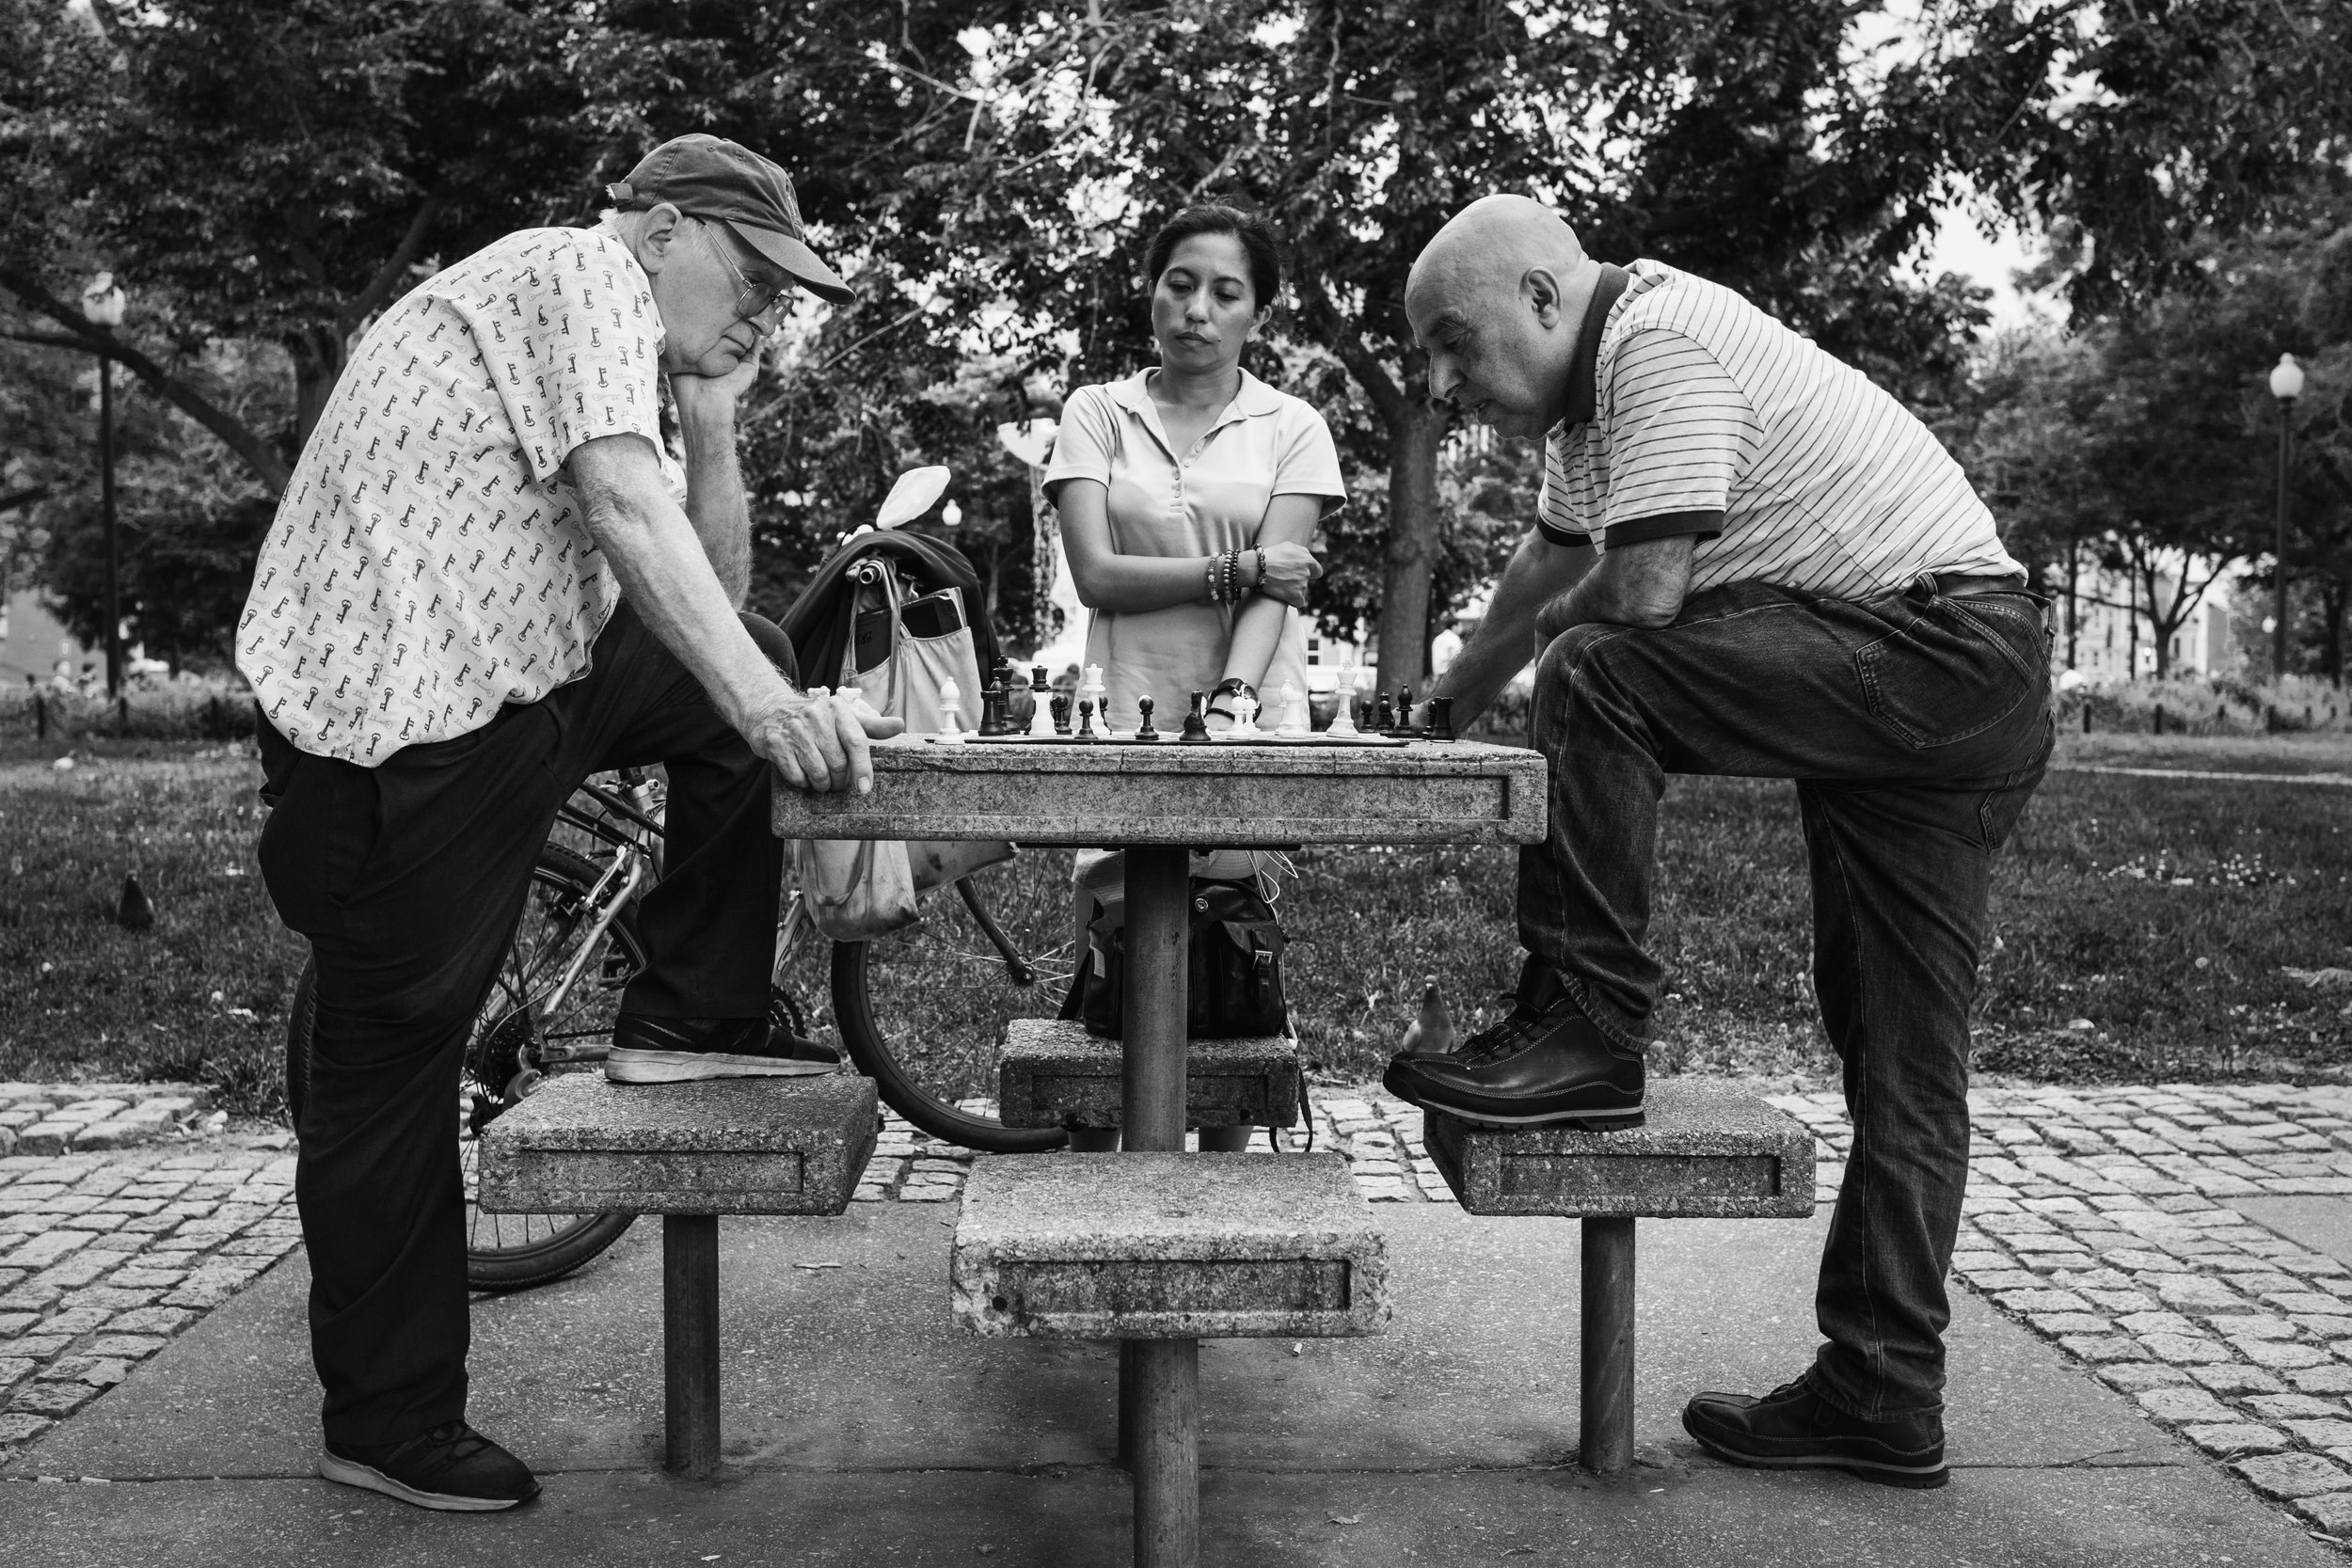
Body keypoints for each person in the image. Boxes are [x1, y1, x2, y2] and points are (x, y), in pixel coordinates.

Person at [236, 134, 899, 1513]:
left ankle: (690, 1014)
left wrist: (713, 421)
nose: (771, 305)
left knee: (745, 662)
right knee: (387, 1079)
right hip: (400, 740)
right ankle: (389, 1415)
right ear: (660, 229)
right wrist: (771, 709)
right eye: (754, 269)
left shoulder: (608, 351)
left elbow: (702, 590)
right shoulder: (580, 270)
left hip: (527, 681)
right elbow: (615, 501)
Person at [1388, 196, 2051, 1491]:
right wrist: (1449, 692)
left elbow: (1637, 597)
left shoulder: (1659, 342)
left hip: (1941, 654)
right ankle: (1884, 1388)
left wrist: (1529, 669)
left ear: (1540, 295)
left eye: (1456, 344)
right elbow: (1551, 555)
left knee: (1599, 669)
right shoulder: (1589, 421)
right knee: (1901, 1054)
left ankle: (1587, 1023)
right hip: (1950, 677)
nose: (1443, 381)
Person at [1041, 204, 1344, 1146]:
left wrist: (1231, 703)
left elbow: (1278, 586)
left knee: (1225, 953)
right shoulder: (1097, 412)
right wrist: (1238, 565)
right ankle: (1095, 1195)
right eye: (1180, 283)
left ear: (1258, 312)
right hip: (1119, 700)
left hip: (1241, 710)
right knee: (1114, 944)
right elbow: (1096, 575)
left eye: (1226, 292)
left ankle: (1212, 1192)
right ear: (1150, 289)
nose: (1197, 309)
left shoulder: (1290, 426)